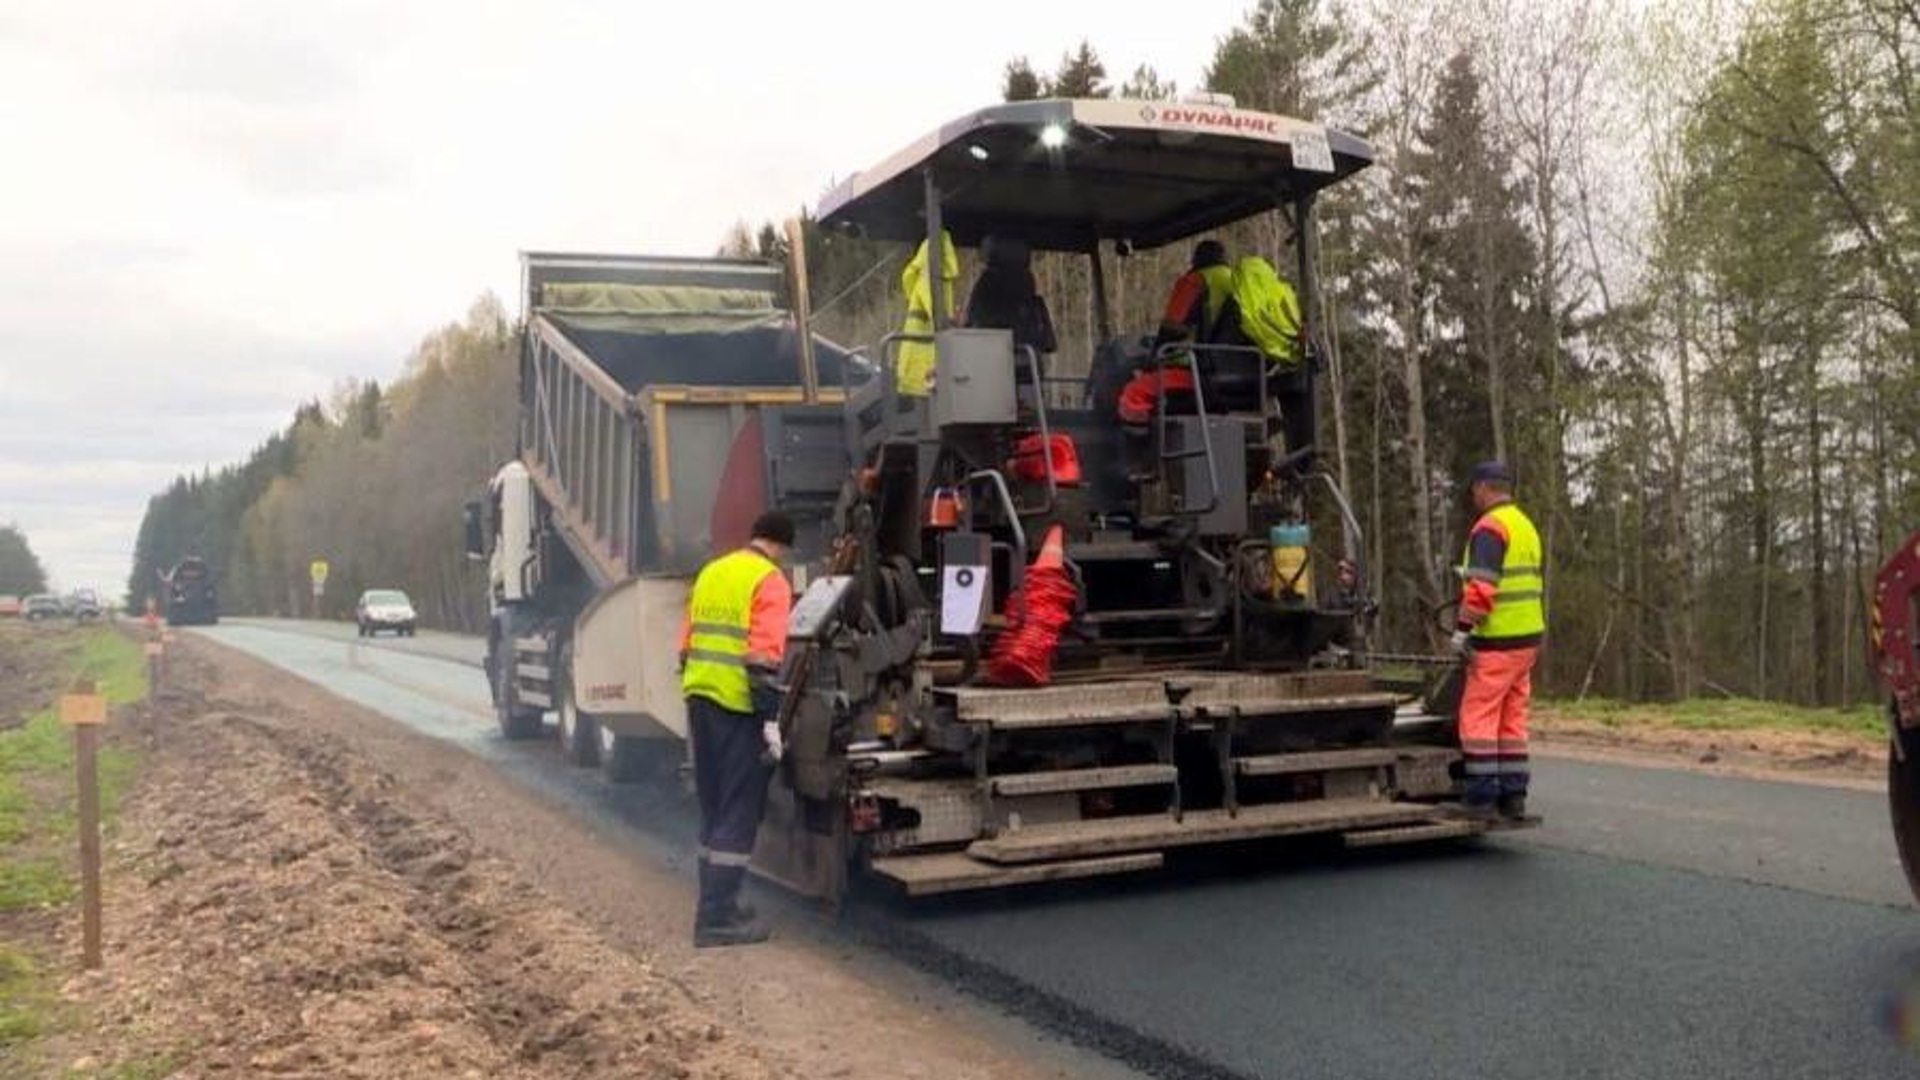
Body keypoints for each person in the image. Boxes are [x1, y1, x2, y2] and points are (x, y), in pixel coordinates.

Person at [678, 511, 796, 947]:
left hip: (700, 700)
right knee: (738, 810)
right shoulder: (770, 581)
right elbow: (763, 661)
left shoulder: (712, 571)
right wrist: (770, 721)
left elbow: (685, 646)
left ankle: (717, 904)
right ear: (782, 546)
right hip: (736, 708)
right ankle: (715, 922)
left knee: (713, 808)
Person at [1448, 461, 1545, 822]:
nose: (1473, 496)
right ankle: (1514, 795)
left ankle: (1481, 797)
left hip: (1498, 641)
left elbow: (1482, 591)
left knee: (1479, 717)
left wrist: (1461, 631)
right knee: (1512, 718)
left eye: (1474, 490)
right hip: (1528, 639)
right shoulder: (1525, 526)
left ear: (1484, 488)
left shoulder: (1489, 528)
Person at [1116, 240, 1233, 479]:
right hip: (1238, 374)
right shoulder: (1236, 281)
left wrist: (1152, 358)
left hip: (1196, 372)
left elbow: (1172, 328)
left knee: (1133, 393)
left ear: (1197, 259)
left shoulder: (1195, 281)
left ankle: (1144, 463)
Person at [964, 235, 1056, 358]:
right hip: (1028, 360)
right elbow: (1048, 342)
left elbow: (973, 327)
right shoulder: (1026, 287)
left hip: (990, 361)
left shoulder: (986, 284)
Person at [895, 230, 958, 397]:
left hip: (922, 366)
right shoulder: (935, 275)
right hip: (928, 364)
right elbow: (939, 314)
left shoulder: (929, 275)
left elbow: (938, 314)